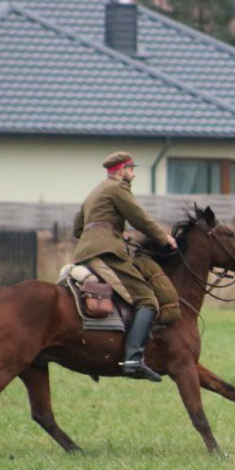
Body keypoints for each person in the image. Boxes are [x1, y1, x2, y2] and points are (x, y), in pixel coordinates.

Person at [72, 152, 177, 382]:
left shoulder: (95, 191)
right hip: (106, 253)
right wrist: (164, 238)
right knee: (146, 300)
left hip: (85, 252)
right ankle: (133, 359)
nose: (133, 173)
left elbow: (77, 229)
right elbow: (139, 217)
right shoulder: (119, 188)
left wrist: (113, 233)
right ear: (121, 171)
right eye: (131, 169)